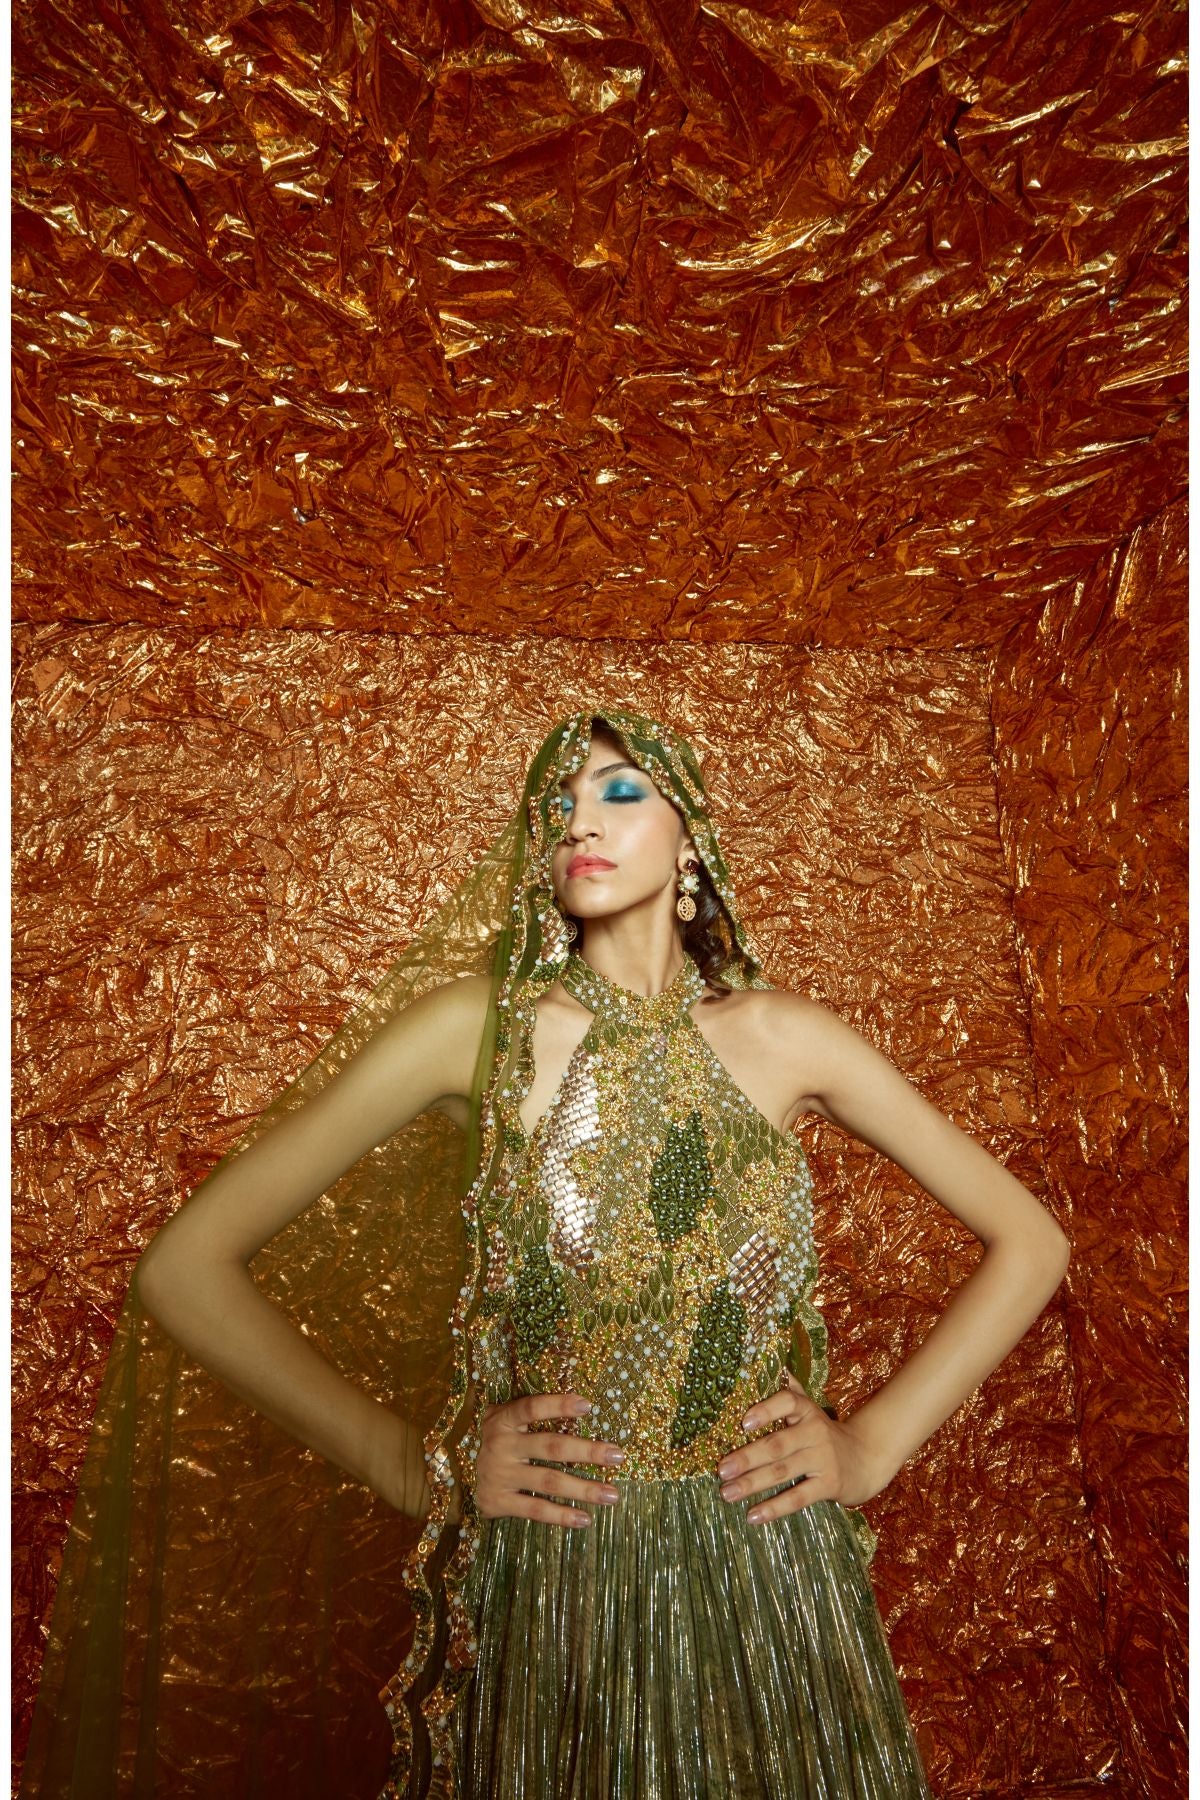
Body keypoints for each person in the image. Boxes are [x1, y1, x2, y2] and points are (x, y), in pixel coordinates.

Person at [20, 705, 1071, 1800]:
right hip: (564, 1573)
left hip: (771, 1566)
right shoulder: (475, 1031)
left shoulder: (784, 1038)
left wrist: (872, 1448)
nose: (581, 822)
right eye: (558, 804)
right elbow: (183, 1270)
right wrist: (411, 1465)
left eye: (619, 792)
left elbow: (1031, 1241)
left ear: (690, 834)